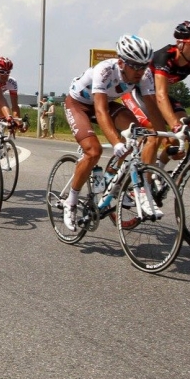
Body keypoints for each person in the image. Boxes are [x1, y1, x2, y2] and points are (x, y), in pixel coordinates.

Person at [62, 34, 161, 231]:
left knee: (143, 136)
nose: (140, 71)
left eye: (144, 65)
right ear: (122, 62)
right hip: (79, 105)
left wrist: (163, 136)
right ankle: (71, 201)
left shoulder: (145, 74)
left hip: (107, 103)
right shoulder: (105, 70)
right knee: (94, 151)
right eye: (135, 65)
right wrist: (116, 143)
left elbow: (153, 107)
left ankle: (117, 181)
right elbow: (100, 111)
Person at [151, 20, 190, 167]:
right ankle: (142, 181)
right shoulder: (165, 58)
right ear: (180, 43)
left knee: (186, 130)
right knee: (156, 136)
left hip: (159, 96)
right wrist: (175, 126)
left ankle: (159, 172)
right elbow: (161, 94)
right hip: (141, 94)